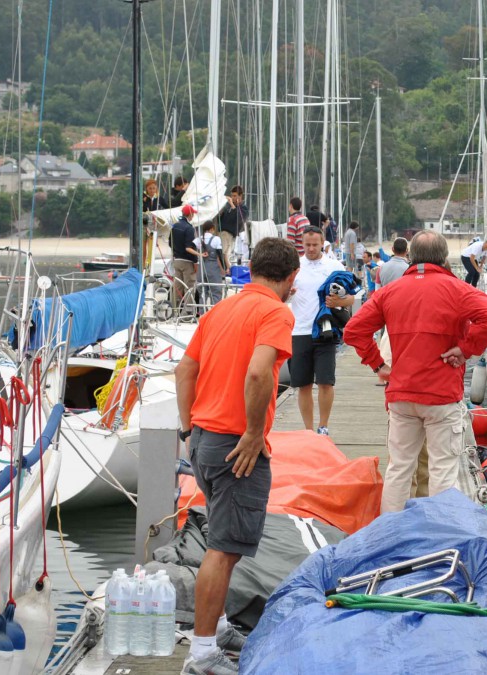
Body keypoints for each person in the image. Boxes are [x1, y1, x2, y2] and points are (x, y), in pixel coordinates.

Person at [175, 238, 298, 675]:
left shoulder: (220, 309)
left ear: (253, 268)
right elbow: (259, 372)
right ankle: (202, 653)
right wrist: (252, 432)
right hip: (235, 447)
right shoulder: (276, 312)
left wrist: (188, 429)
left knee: (220, 538)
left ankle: (219, 626)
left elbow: (184, 369)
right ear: (291, 277)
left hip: (203, 440)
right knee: (224, 549)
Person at [343, 230, 487, 513]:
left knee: (399, 468)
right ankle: (439, 531)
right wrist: (466, 349)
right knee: (443, 469)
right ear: (444, 257)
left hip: (402, 393)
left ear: (411, 256)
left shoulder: (390, 292)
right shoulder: (456, 289)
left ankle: (392, 529)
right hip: (441, 395)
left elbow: (354, 330)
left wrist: (378, 364)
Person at [289, 227, 355, 435]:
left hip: (325, 329)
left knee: (326, 382)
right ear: (302, 243)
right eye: (307, 245)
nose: (310, 249)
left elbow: (351, 298)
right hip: (299, 331)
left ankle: (323, 426)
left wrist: (338, 302)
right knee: (304, 385)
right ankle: (308, 430)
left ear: (322, 243)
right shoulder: (294, 266)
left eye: (314, 245)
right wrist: (288, 293)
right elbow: (280, 295)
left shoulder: (334, 266)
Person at [170, 204, 202, 309]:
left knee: (177, 287)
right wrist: (196, 261)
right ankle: (188, 312)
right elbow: (190, 247)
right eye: (193, 214)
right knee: (189, 287)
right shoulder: (189, 228)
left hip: (177, 260)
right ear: (190, 214)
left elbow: (170, 243)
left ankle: (174, 310)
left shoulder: (175, 226)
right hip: (187, 262)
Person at [194, 220, 227, 306]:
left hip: (201, 268)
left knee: (202, 293)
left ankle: (202, 312)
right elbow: (220, 255)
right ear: (212, 229)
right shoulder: (216, 239)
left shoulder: (198, 239)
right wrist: (225, 268)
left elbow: (189, 248)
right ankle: (214, 311)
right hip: (213, 269)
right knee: (216, 292)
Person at [218, 185, 248, 266]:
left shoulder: (243, 208)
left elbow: (240, 219)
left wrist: (232, 205)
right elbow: (220, 217)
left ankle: (227, 269)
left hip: (231, 235)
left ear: (240, 196)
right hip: (223, 233)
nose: (232, 198)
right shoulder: (227, 206)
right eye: (232, 196)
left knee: (226, 254)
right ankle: (226, 268)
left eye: (235, 196)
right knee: (223, 253)